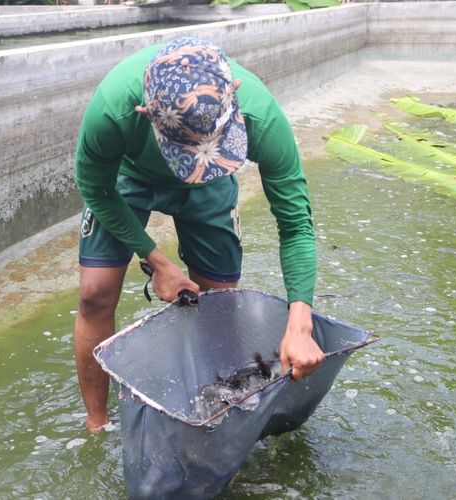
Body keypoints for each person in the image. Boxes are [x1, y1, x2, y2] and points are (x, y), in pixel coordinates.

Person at [73, 37, 323, 432]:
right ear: (145, 113)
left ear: (234, 94)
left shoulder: (261, 116)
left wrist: (299, 323)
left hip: (211, 182)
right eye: (191, 147)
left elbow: (295, 225)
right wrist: (156, 261)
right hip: (130, 174)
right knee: (95, 292)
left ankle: (211, 415)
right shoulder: (112, 111)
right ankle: (96, 423)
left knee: (220, 301)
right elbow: (95, 189)